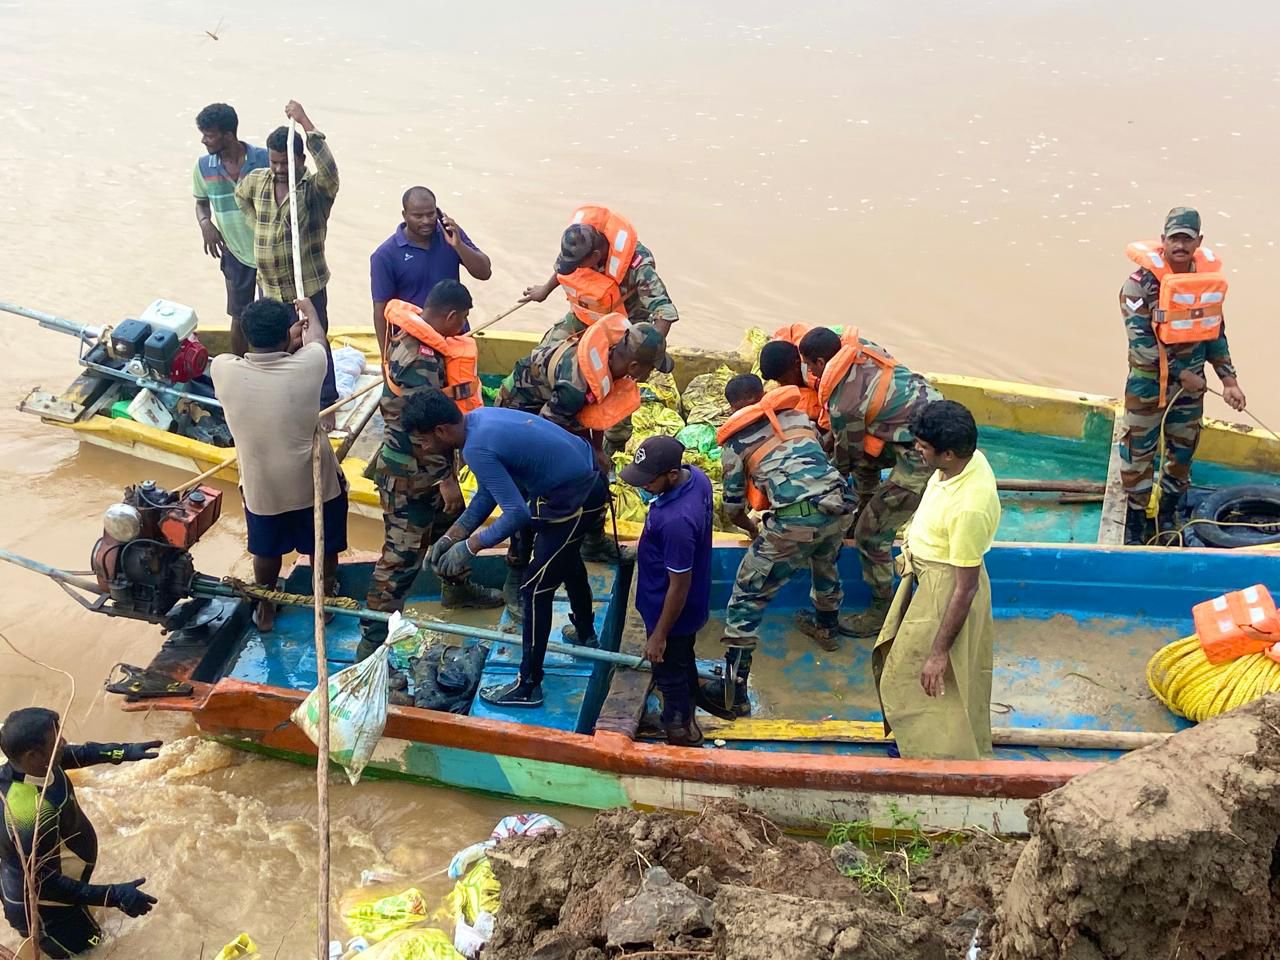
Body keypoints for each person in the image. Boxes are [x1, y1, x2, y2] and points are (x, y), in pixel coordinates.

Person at [406, 392, 609, 707]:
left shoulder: (475, 448)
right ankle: (585, 632)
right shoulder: (480, 421)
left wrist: (470, 548)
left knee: (534, 590)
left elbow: (516, 513)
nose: (424, 449)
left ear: (441, 431)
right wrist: (450, 537)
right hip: (585, 482)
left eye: (423, 442)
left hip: (575, 498)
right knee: (565, 559)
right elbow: (488, 494)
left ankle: (528, 686)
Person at [357, 281, 501, 662]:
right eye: (464, 320)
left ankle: (456, 588)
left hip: (430, 470)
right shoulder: (418, 358)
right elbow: (424, 429)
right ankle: (371, 641)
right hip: (410, 475)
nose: (464, 328)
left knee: (448, 533)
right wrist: (446, 479)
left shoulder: (422, 341)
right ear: (451, 316)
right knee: (400, 558)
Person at [710, 374, 854, 716]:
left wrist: (755, 532)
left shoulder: (736, 443)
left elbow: (732, 510)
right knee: (825, 562)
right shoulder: (797, 416)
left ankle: (734, 691)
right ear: (763, 395)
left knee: (747, 598)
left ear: (733, 407)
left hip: (794, 523)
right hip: (839, 507)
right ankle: (827, 628)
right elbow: (820, 453)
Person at [210, 296, 347, 631]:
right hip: (314, 483)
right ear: (287, 336)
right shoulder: (310, 365)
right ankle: (324, 600)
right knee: (322, 545)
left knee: (266, 551)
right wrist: (311, 313)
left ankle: (266, 606)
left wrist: (289, 339)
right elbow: (317, 339)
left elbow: (243, 352)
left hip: (263, 488)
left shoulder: (223, 369)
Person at [873, 400, 1000, 759]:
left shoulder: (970, 506)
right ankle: (926, 745)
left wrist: (939, 652)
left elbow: (966, 586)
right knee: (911, 673)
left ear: (947, 454)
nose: (917, 449)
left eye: (924, 447)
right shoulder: (959, 464)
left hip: (946, 588)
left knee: (917, 678)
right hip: (926, 574)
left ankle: (938, 760)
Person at [496, 316, 673, 574]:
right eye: (651, 368)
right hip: (522, 411)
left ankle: (593, 543)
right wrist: (587, 450)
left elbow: (597, 409)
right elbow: (549, 428)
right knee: (532, 486)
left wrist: (598, 450)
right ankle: (518, 563)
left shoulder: (614, 360)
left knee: (596, 474)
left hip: (557, 409)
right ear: (635, 365)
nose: (651, 373)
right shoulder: (575, 386)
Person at [799, 326, 940, 637]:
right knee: (866, 460)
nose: (809, 372)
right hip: (920, 417)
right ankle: (867, 503)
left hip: (924, 454)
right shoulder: (859, 348)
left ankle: (882, 610)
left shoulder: (843, 405)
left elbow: (843, 461)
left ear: (822, 361)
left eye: (810, 366)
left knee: (870, 535)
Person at [1119, 207, 1247, 545]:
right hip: (1148, 385)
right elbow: (1141, 344)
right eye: (1173, 238)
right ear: (1162, 241)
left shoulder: (1205, 284)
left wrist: (1229, 380)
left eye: (1186, 239)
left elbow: (1215, 333)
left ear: (1198, 242)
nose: (1179, 244)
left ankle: (1168, 515)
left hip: (1191, 391)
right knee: (1138, 453)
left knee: (1182, 452)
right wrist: (1180, 373)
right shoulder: (1138, 286)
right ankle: (1135, 521)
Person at [0, 708, 160, 957]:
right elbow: (44, 884)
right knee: (93, 950)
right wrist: (112, 895)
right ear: (33, 755)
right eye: (56, 740)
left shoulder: (37, 766)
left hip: (59, 890)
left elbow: (72, 755)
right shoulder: (28, 814)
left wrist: (121, 751)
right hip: (44, 907)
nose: (63, 742)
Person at [235, 100, 340, 409]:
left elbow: (331, 173)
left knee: (315, 344)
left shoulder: (314, 189)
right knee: (276, 343)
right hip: (269, 284)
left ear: (300, 159)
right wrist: (257, 226)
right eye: (275, 162)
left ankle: (325, 401)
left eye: (286, 163)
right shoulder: (257, 181)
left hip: (306, 285)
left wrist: (306, 122)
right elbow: (240, 198)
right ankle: (283, 397)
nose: (280, 169)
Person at [618, 437, 714, 745]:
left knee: (668, 667)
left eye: (648, 481)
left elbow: (678, 585)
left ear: (672, 474)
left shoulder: (675, 521)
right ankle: (687, 703)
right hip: (693, 599)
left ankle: (679, 728)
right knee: (682, 655)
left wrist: (658, 635)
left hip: (668, 608)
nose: (643, 486)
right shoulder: (697, 478)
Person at [519, 205, 679, 347]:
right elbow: (565, 268)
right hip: (586, 315)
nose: (575, 267)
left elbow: (664, 311)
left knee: (609, 367)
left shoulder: (638, 266)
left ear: (595, 257)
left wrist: (649, 350)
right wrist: (544, 290)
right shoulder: (579, 244)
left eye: (578, 264)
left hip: (625, 324)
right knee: (544, 353)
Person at [370, 186, 492, 350]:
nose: (426, 221)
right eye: (418, 216)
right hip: (414, 347)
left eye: (431, 214)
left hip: (455, 338)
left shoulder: (451, 234)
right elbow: (380, 312)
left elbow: (484, 273)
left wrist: (459, 245)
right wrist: (385, 360)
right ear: (404, 215)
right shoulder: (385, 255)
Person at [192, 102, 269, 357]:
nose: (204, 140)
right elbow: (201, 203)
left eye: (209, 135)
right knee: (239, 315)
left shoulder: (266, 159)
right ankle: (240, 366)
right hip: (235, 254)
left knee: (276, 315)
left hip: (271, 252)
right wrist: (206, 224)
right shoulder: (203, 168)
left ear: (228, 135)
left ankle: (277, 366)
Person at [759, 338, 822, 421]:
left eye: (784, 381)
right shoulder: (793, 356)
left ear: (796, 365)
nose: (783, 385)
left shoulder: (816, 375)